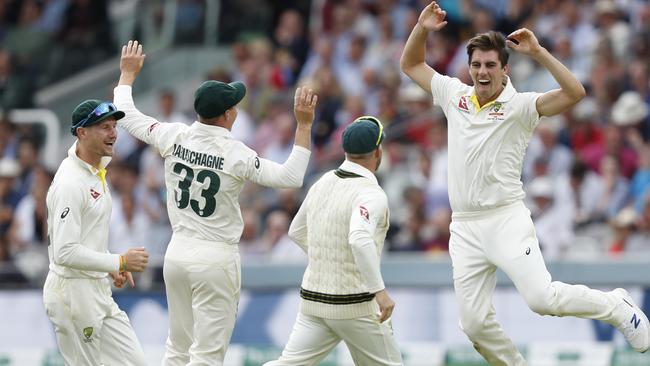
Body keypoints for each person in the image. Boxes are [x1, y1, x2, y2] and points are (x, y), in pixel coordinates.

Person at [400, 2, 650, 365]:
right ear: (468, 68)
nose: (482, 73)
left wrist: (539, 52)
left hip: (505, 218)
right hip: (464, 226)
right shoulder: (455, 96)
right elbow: (410, 65)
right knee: (472, 325)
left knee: (542, 299)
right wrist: (422, 29)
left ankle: (616, 306)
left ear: (504, 68)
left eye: (489, 65)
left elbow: (575, 93)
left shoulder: (521, 105)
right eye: (476, 65)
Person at [115, 40, 317, 366]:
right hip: (215, 257)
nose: (236, 110)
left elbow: (124, 113)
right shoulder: (235, 154)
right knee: (207, 357)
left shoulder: (173, 135)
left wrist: (127, 74)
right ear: (226, 115)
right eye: (234, 106)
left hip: (177, 253)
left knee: (177, 350)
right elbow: (291, 177)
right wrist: (304, 126)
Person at [265, 116, 403, 366]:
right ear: (378, 151)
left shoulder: (322, 181)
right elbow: (360, 239)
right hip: (356, 303)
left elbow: (296, 230)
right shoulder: (371, 193)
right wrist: (379, 292)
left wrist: (329, 261)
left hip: (314, 302)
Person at [43, 99, 150, 365]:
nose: (114, 133)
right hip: (72, 293)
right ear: (82, 132)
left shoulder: (96, 172)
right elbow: (64, 251)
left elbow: (87, 236)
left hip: (96, 290)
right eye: (104, 127)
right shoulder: (71, 182)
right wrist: (119, 261)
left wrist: (107, 265)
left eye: (114, 126)